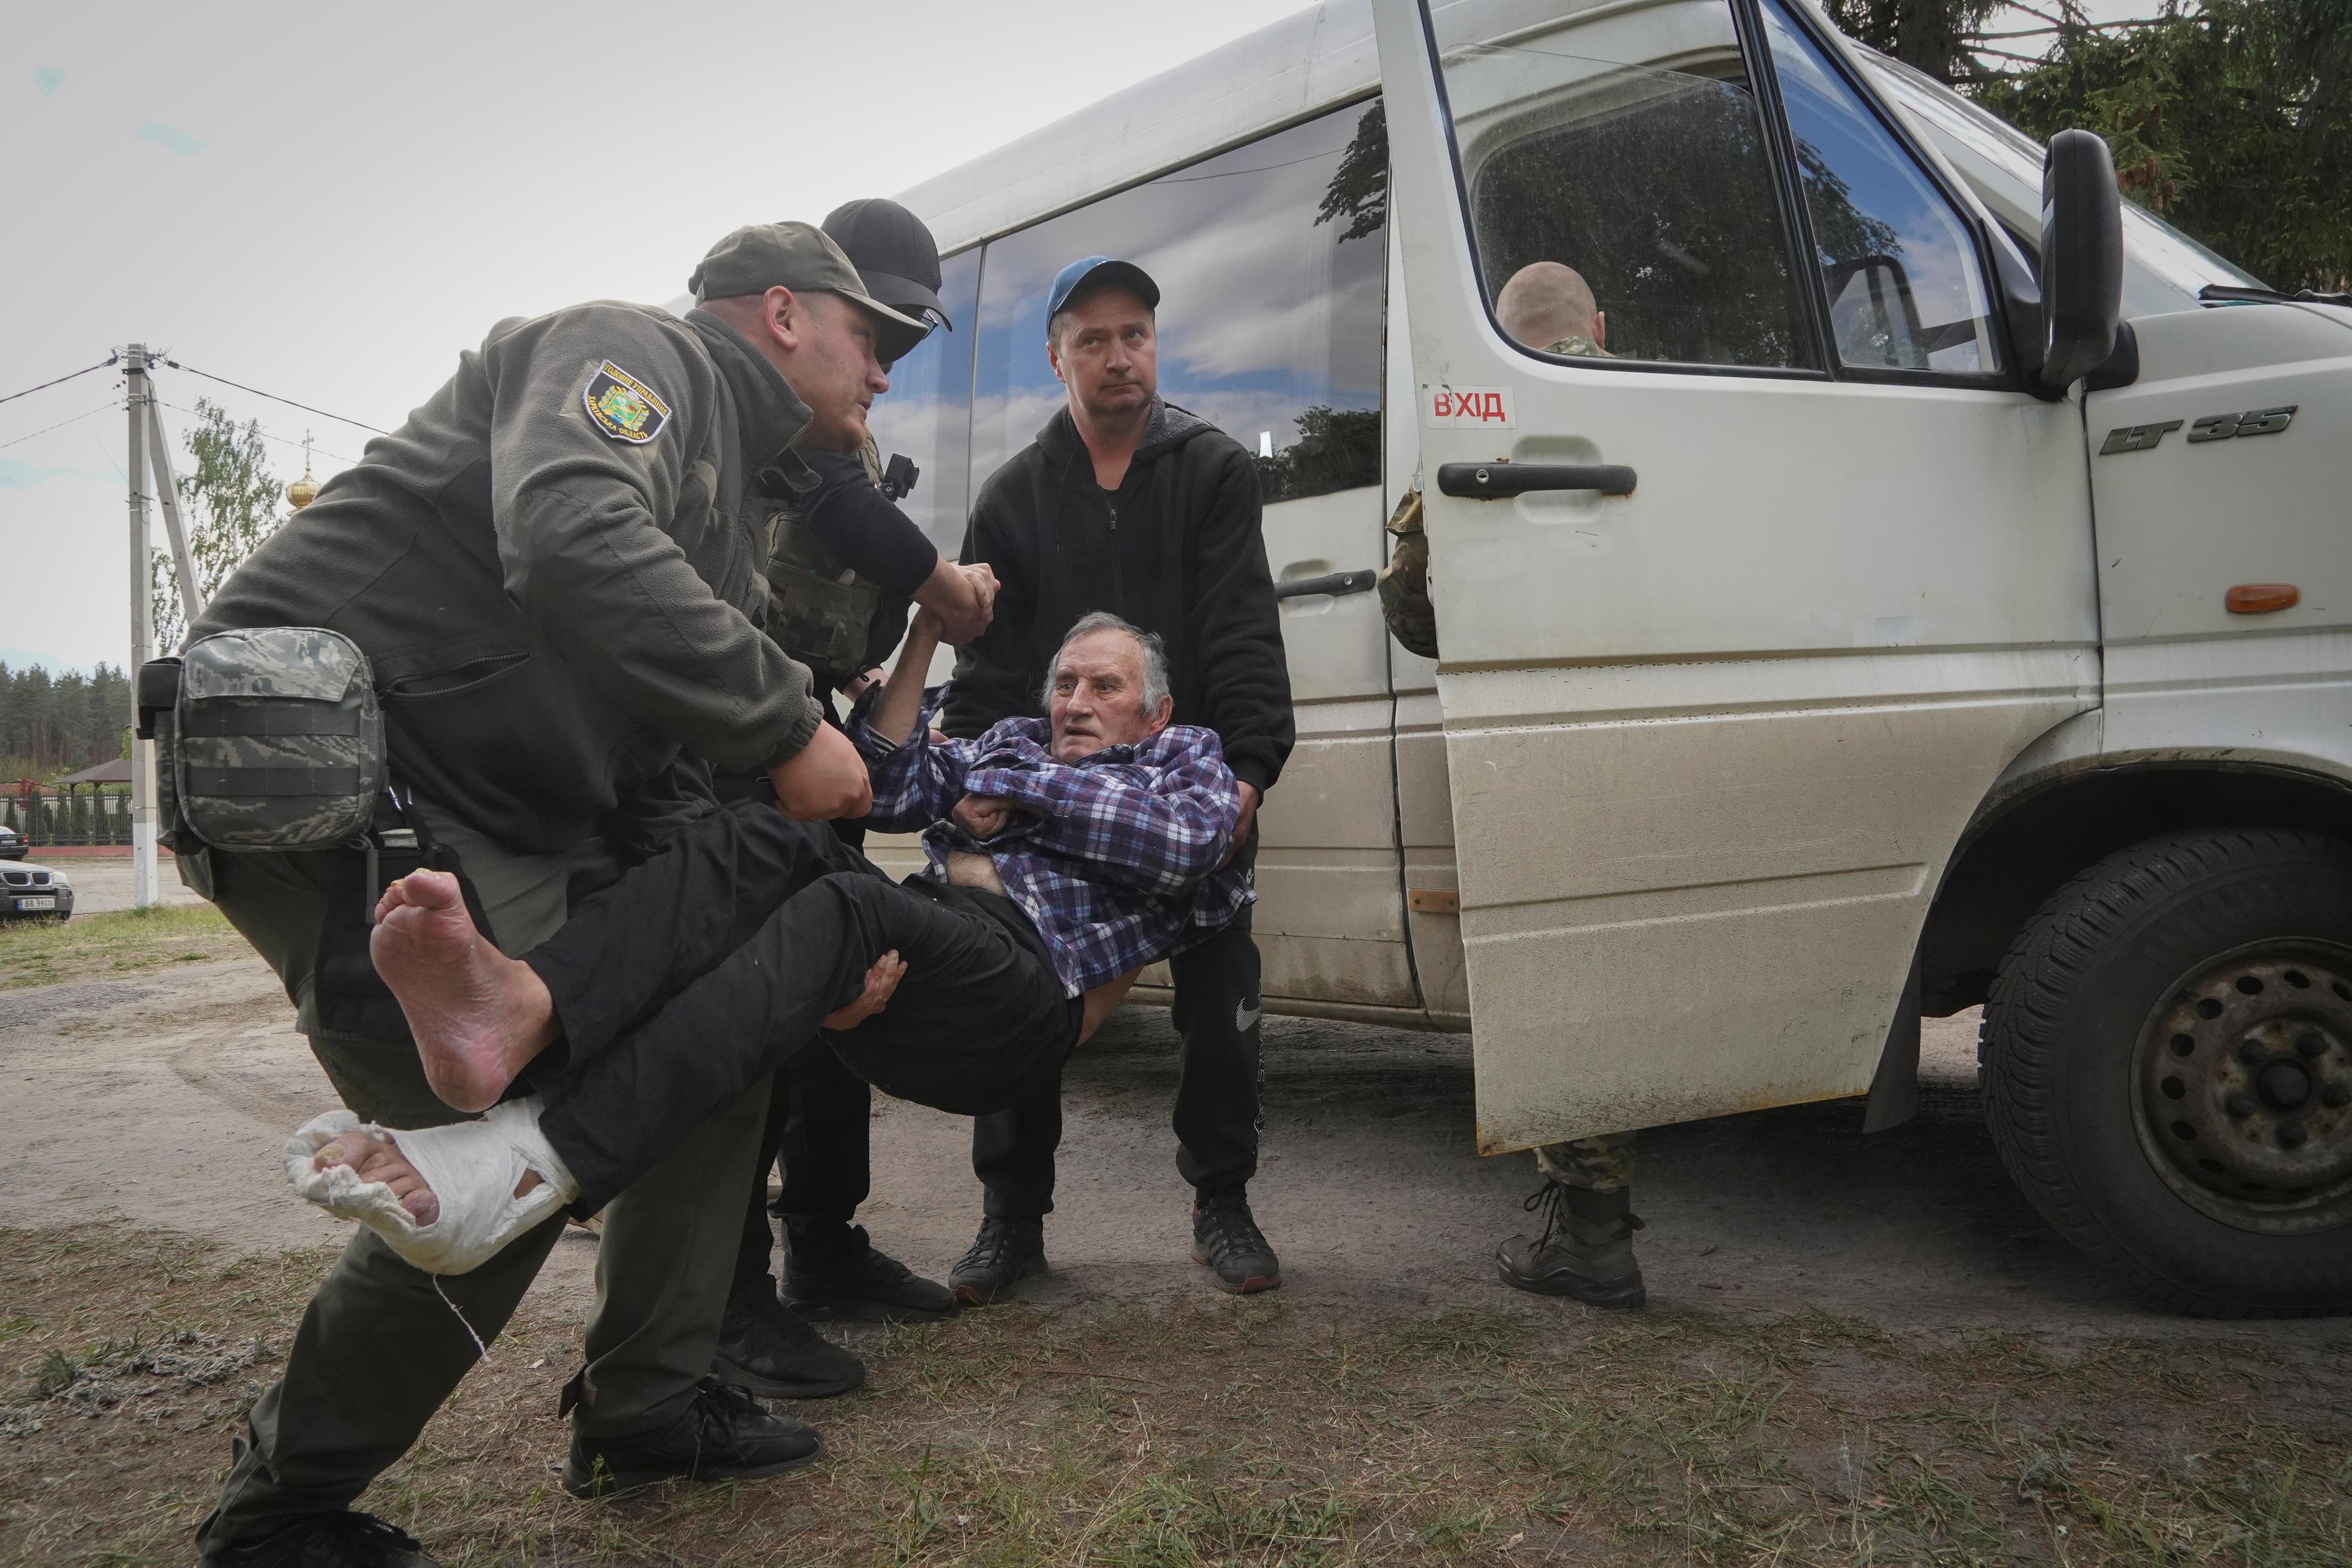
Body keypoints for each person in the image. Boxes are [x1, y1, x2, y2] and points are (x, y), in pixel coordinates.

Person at [183, 222, 928, 1566]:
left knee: (723, 1022)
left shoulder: (727, 494)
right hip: (345, 783)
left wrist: (778, 945)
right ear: (780, 312)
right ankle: (279, 1509)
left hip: (498, 808)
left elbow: (663, 765)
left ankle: (645, 1406)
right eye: (871, 337)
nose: (882, 372)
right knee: (489, 1157)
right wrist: (784, 724)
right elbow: (569, 534)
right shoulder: (630, 350)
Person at [292, 611, 1250, 1291]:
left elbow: (1185, 847)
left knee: (845, 907)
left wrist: (1025, 789)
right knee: (777, 840)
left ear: (1153, 712)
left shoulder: (1187, 759)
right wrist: (924, 634)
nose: (1075, 703)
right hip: (925, 955)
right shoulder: (1013, 740)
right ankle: (529, 1012)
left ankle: (538, 1162)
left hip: (1025, 1001)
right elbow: (872, 780)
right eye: (1066, 684)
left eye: (1105, 686)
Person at [941, 256, 1294, 1300]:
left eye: (1134, 333)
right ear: (1057, 357)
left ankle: (1222, 1203)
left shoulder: (1213, 470)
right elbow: (988, 673)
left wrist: (1246, 779)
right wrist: (972, 787)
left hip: (1189, 784)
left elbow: (1243, 636)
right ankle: (1011, 1220)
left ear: (1157, 344)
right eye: (1092, 339)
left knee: (1222, 990)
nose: (1117, 355)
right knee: (1019, 989)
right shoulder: (1013, 496)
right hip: (1061, 800)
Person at [713, 198, 991, 1406]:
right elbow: (833, 516)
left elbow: (850, 594)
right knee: (737, 1029)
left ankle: (823, 1242)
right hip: (727, 754)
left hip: (806, 740)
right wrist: (937, 576)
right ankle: (726, 1304)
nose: (890, 365)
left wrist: (897, 640)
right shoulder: (764, 406)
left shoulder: (854, 433)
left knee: (832, 995)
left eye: (907, 342)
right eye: (877, 332)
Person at [1374, 258, 1646, 1311]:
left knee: (1566, 980)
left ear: (1505, 334)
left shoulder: (1468, 439)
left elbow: (1411, 615)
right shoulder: (1669, 405)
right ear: (1601, 324)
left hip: (1533, 743)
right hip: (1678, 718)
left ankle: (1595, 1239)